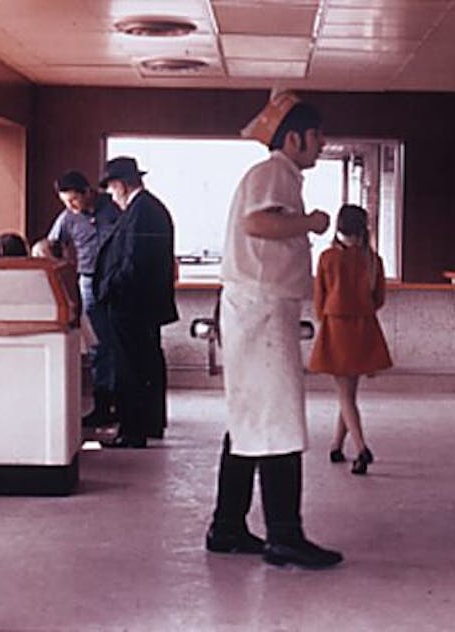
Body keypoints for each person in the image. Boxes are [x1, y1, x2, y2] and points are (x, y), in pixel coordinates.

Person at [205, 90, 342, 569]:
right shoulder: (274, 172)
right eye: (317, 136)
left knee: (250, 420)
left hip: (257, 309)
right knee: (277, 420)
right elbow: (258, 222)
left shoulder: (274, 174)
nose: (322, 144)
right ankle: (285, 534)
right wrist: (311, 222)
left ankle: (227, 527)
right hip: (260, 309)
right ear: (295, 138)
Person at [93, 157, 178, 447]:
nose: (111, 196)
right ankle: (148, 424)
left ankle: (132, 431)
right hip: (141, 302)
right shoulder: (147, 208)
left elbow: (133, 261)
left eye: (111, 188)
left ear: (120, 184)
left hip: (131, 302)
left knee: (130, 367)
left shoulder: (141, 211)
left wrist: (109, 288)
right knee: (145, 363)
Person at [308, 203, 392, 476]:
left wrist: (324, 319)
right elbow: (379, 299)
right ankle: (336, 446)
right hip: (364, 327)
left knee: (344, 395)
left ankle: (361, 448)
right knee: (349, 394)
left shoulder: (327, 258)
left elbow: (319, 298)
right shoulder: (373, 261)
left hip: (336, 327)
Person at [47, 171, 119, 428]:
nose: (71, 206)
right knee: (98, 344)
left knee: (121, 342)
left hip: (118, 281)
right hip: (88, 281)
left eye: (74, 200)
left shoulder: (114, 209)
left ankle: (125, 404)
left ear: (88, 192)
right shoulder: (68, 218)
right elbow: (49, 246)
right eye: (66, 202)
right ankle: (103, 405)